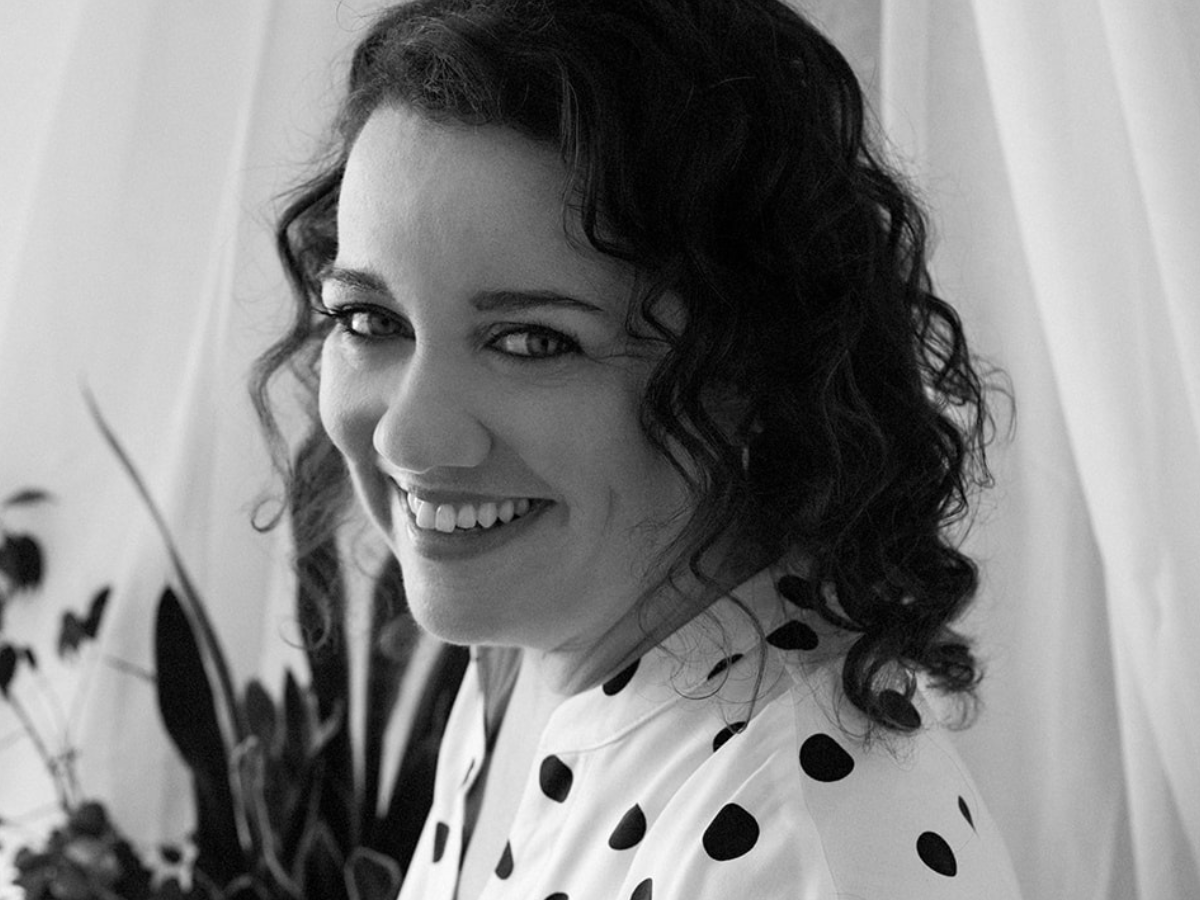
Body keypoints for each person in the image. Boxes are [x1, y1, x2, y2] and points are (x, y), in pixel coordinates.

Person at [254, 0, 1023, 897]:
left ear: (750, 371)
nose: (407, 435)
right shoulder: (534, 650)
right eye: (368, 319)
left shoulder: (801, 854)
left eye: (532, 341)